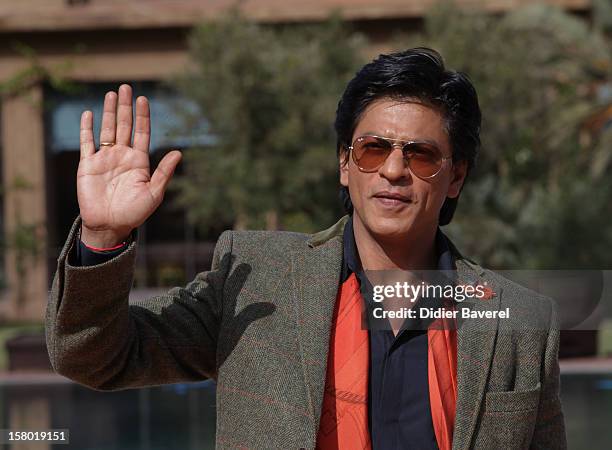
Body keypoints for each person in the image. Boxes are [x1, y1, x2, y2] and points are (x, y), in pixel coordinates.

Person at [46, 48, 567, 449]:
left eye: (421, 155)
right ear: (345, 163)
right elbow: (95, 358)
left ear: (455, 177)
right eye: (373, 148)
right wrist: (102, 238)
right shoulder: (255, 279)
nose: (392, 170)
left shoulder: (519, 323)